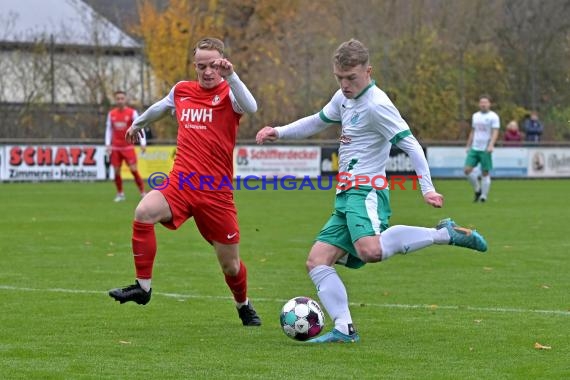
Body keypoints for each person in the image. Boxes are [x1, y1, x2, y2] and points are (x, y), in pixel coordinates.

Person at [256, 39, 487, 343]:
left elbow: (411, 145)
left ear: (368, 71)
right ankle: (343, 329)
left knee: (370, 250)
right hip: (345, 194)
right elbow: (318, 120)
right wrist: (279, 131)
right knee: (317, 261)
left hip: (366, 189)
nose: (345, 84)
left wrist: (427, 189)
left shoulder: (377, 105)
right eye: (339, 77)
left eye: (351, 78)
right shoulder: (343, 97)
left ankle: (444, 234)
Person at [108, 37, 262, 327]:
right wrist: (138, 123)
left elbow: (251, 107)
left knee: (230, 265)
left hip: (216, 193)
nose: (207, 72)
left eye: (213, 66)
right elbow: (162, 107)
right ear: (195, 65)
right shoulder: (182, 90)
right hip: (181, 183)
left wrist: (232, 75)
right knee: (143, 212)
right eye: (201, 66)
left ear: (222, 64)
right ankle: (143, 287)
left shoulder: (230, 93)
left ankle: (243, 304)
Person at [105, 90, 146, 202]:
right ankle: (120, 194)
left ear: (125, 99)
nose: (120, 101)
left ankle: (143, 192)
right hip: (116, 148)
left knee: (133, 170)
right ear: (115, 100)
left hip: (128, 147)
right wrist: (108, 144)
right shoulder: (111, 114)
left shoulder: (132, 112)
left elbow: (140, 126)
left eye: (122, 98)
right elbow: (109, 129)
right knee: (116, 171)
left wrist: (143, 143)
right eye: (118, 99)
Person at [464, 95, 500, 203]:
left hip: (485, 148)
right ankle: (477, 189)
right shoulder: (475, 116)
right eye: (481, 102)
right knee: (467, 170)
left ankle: (483, 196)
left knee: (485, 172)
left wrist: (491, 145)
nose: (483, 104)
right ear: (479, 104)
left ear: (489, 104)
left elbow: (495, 131)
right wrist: (468, 145)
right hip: (475, 147)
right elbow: (473, 131)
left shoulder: (493, 116)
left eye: (485, 102)